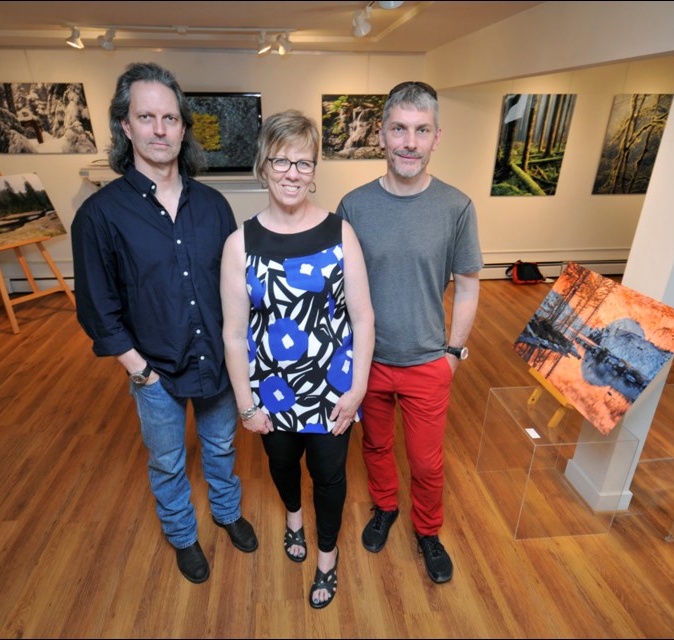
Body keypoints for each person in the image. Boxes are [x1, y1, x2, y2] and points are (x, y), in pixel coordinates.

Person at [71, 62, 257, 585]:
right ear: (125, 127)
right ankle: (182, 536)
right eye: (146, 116)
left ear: (182, 127)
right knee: (170, 462)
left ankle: (226, 514)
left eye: (170, 118)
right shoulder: (100, 215)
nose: (159, 129)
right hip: (154, 371)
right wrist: (140, 370)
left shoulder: (215, 206)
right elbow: (96, 307)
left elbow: (234, 287)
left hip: (216, 362)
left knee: (221, 446)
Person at [220, 110, 374, 609]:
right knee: (283, 465)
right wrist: (247, 405)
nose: (292, 173)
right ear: (263, 166)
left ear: (315, 170)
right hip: (272, 394)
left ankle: (326, 558)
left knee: (330, 478)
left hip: (333, 392)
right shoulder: (239, 244)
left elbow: (364, 318)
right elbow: (235, 333)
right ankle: (292, 514)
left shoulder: (340, 234)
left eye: (304, 163)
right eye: (282, 161)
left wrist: (356, 392)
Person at [336, 81, 481, 585]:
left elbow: (467, 288)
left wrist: (453, 355)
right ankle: (384, 508)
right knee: (375, 447)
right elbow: (337, 288)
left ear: (437, 136)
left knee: (426, 460)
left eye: (421, 131)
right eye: (399, 129)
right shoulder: (353, 206)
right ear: (382, 133)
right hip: (368, 361)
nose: (409, 142)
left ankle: (428, 531)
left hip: (426, 362)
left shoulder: (456, 207)